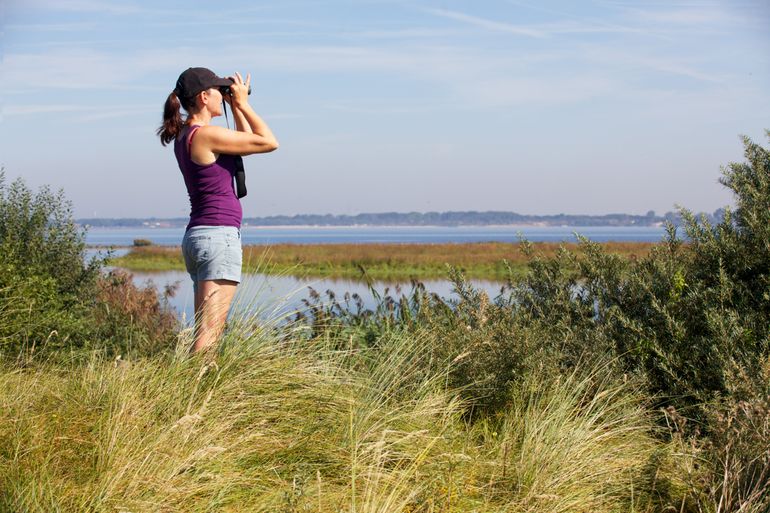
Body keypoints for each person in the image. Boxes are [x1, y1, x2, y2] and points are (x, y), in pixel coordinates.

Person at [157, 67, 278, 353]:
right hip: (217, 238)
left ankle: (193, 391)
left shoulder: (187, 134)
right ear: (203, 96)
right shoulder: (206, 135)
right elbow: (268, 142)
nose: (222, 97)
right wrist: (244, 104)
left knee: (205, 329)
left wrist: (236, 106)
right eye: (218, 91)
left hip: (200, 236)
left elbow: (244, 146)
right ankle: (194, 395)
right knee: (211, 333)